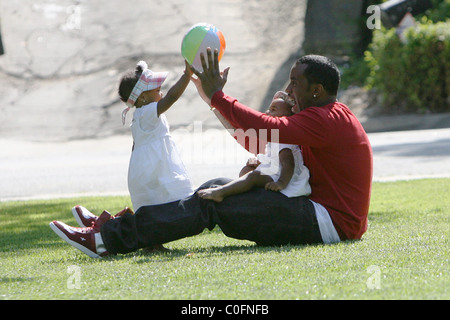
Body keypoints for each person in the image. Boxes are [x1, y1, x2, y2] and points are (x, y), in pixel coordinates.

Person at [49, 50, 373, 258]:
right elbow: (255, 141)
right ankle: (116, 230)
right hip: (316, 215)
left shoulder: (325, 118)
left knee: (212, 203)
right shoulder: (320, 117)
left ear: (316, 90)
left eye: (294, 84)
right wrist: (212, 100)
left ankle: (108, 239)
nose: (288, 91)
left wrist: (220, 95)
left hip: (327, 224)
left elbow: (261, 126)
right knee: (214, 187)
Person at [198, 91, 311, 202]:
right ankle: (246, 194)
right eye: (269, 108)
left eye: (273, 110)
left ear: (285, 119)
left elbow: (288, 163)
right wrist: (259, 162)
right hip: (275, 173)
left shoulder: (284, 139)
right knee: (246, 170)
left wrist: (281, 183)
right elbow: (273, 159)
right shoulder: (272, 138)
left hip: (285, 179)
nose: (267, 112)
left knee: (254, 176)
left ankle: (221, 192)